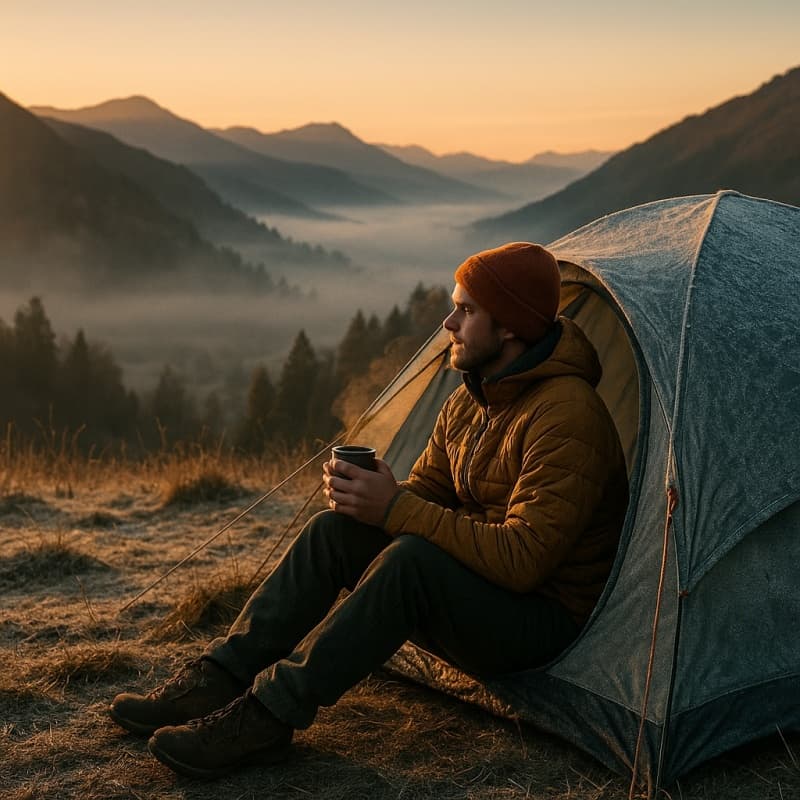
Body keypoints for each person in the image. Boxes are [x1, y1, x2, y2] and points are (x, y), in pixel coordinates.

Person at [109, 241, 629, 779]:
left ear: (510, 327)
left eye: (467, 310)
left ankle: (267, 718)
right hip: (482, 591)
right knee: (334, 531)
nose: (449, 322)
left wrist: (396, 509)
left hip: (542, 621)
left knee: (410, 563)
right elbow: (426, 493)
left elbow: (525, 560)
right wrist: (371, 498)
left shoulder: (568, 416)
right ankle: (216, 679)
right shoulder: (472, 400)